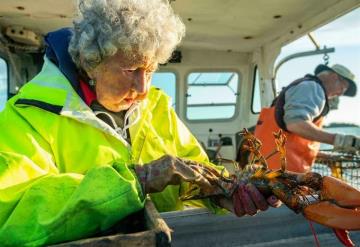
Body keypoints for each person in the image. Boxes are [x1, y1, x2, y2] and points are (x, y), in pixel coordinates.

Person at [0, 0, 279, 246]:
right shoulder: (27, 118)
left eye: (151, 70)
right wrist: (138, 179)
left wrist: (224, 191)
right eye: (131, 69)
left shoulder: (155, 105)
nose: (143, 88)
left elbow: (193, 169)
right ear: (90, 62)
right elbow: (11, 215)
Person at [254, 63, 359, 173]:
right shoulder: (313, 88)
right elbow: (295, 124)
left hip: (268, 168)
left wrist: (324, 156)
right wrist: (341, 140)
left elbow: (291, 141)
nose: (342, 93)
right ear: (334, 77)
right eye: (344, 87)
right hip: (280, 174)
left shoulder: (306, 87)